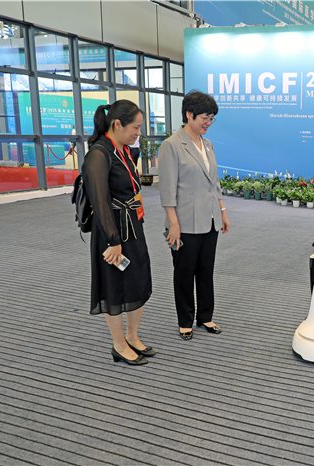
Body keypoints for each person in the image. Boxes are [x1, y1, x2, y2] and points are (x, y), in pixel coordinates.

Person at [83, 100, 154, 365]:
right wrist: (113, 241)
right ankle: (119, 344)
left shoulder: (123, 150)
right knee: (113, 285)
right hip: (111, 231)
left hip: (132, 224)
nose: (138, 133)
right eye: (135, 127)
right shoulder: (99, 154)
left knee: (138, 279)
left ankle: (132, 337)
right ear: (117, 124)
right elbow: (100, 201)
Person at [158, 91, 230, 341]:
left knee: (206, 270)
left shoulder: (207, 144)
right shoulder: (171, 145)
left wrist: (222, 211)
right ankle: (185, 321)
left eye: (211, 119)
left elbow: (214, 183)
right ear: (189, 114)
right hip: (184, 222)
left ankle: (206, 316)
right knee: (184, 273)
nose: (208, 123)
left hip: (209, 219)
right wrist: (173, 225)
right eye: (205, 118)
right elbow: (167, 191)